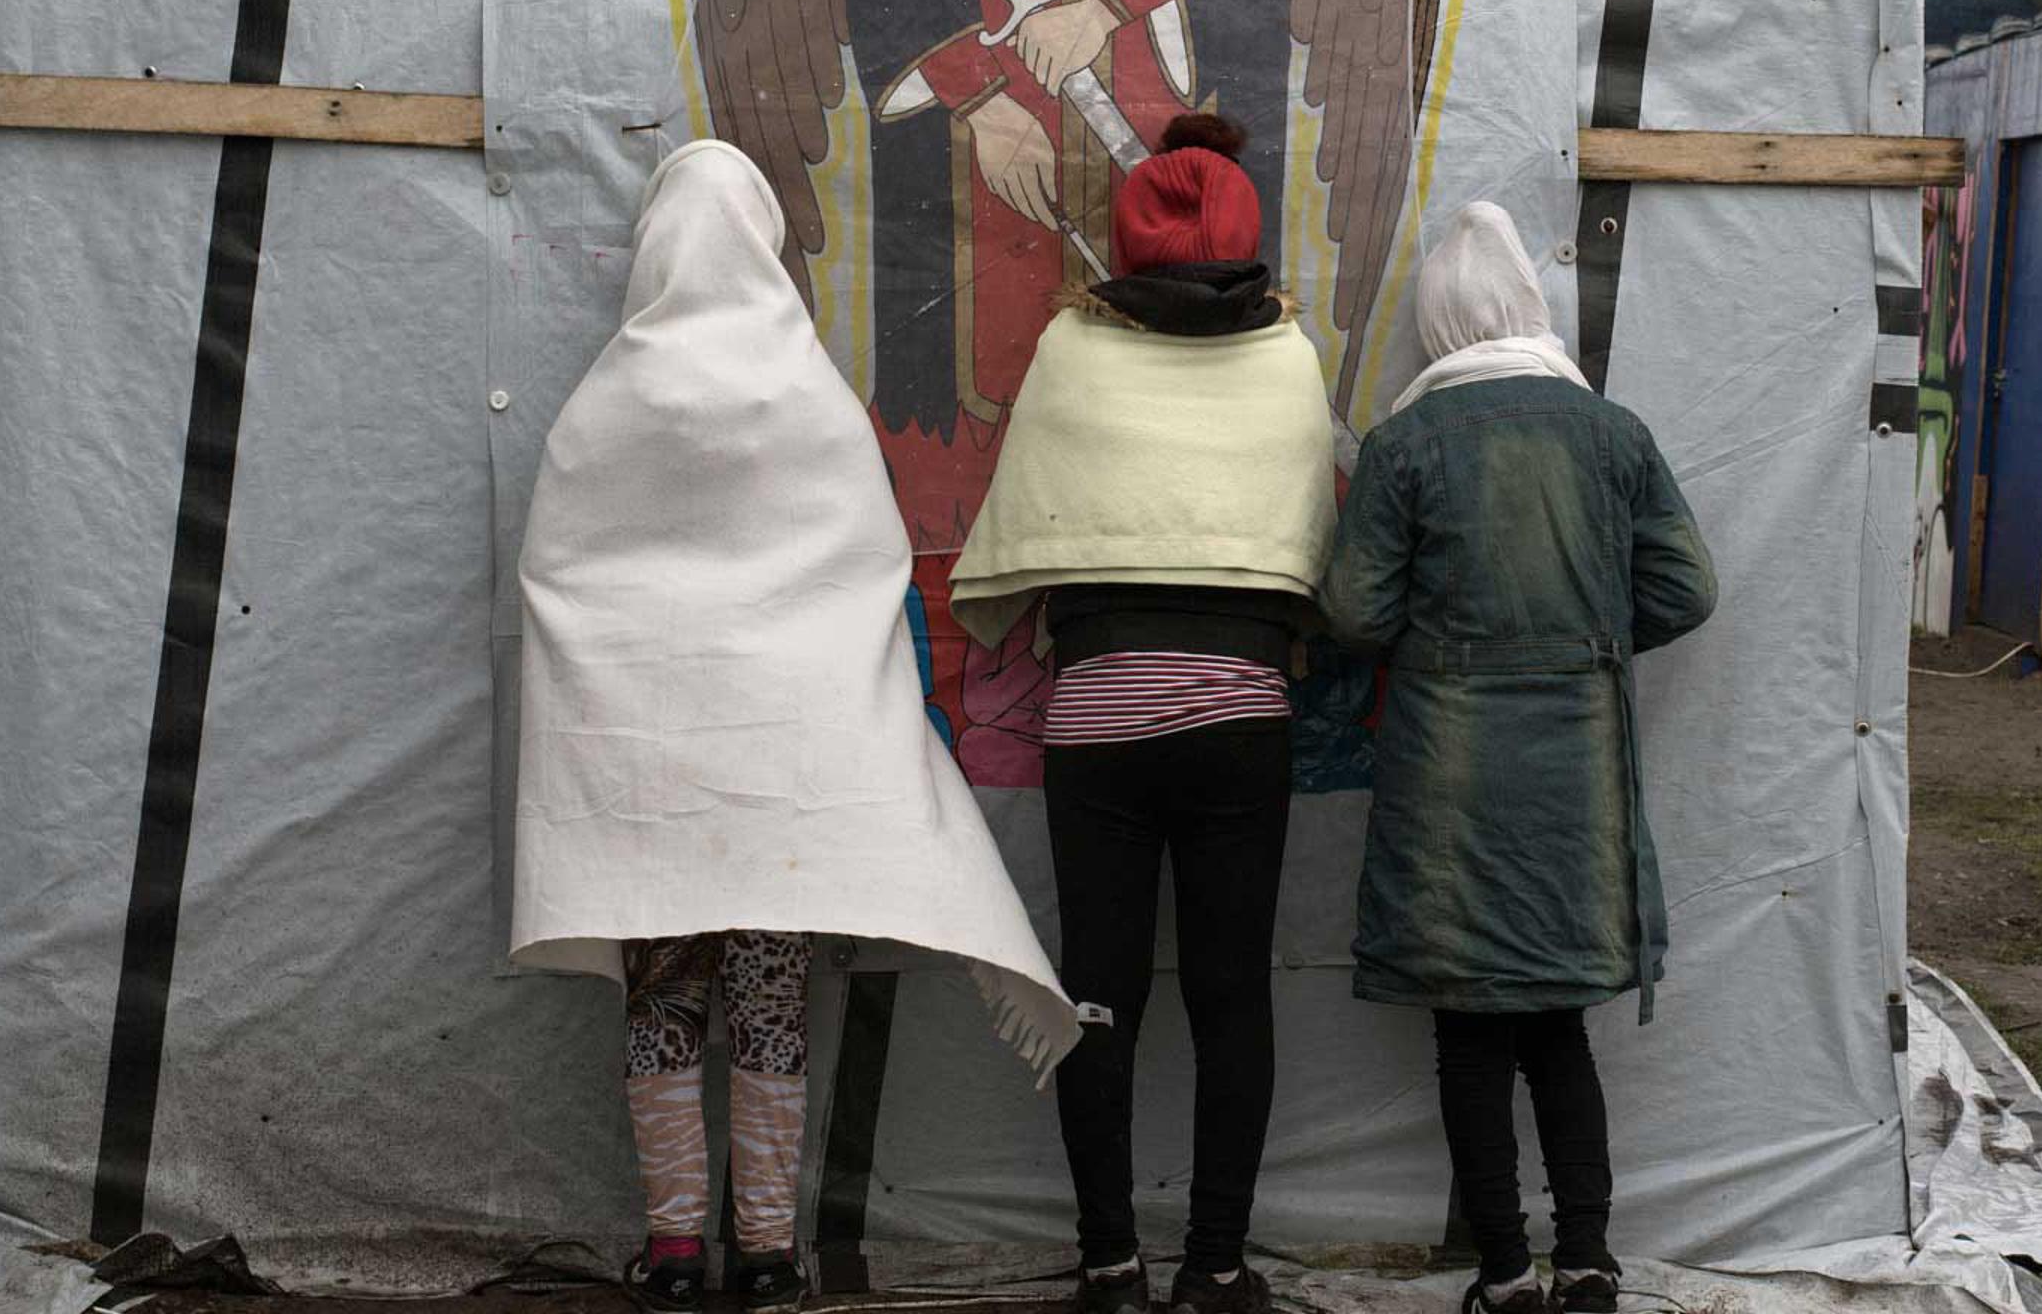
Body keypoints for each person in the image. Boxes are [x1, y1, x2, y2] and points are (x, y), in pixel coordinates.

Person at [511, 140, 1081, 1309]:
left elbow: (560, 585)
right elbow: (864, 582)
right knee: (772, 1008)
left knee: (662, 1003)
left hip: (649, 783)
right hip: (784, 794)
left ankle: (675, 1255)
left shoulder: (604, 404)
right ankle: (768, 1255)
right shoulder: (811, 399)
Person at [950, 112, 1341, 1314]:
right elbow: (1314, 551)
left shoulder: (1074, 346)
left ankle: (1110, 1265)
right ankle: (1217, 1269)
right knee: (1233, 997)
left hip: (1101, 717)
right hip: (1236, 712)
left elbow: (1022, 543)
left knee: (1098, 991)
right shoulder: (1287, 357)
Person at [1323, 203, 1718, 1314]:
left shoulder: (1406, 444)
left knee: (1470, 1032)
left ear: (1438, 325)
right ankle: (1589, 1261)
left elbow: (1354, 613)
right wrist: (1581, 644)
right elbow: (1688, 590)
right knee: (1557, 1025)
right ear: (1529, 309)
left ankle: (1503, 1275)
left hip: (1448, 768)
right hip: (1578, 768)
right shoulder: (1612, 434)